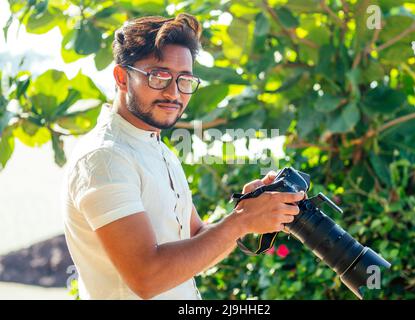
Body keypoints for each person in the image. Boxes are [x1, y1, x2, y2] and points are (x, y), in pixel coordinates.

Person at [61, 13, 305, 300]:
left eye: (184, 80)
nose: (173, 92)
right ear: (122, 77)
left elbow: (196, 241)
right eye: (159, 76)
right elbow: (147, 277)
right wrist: (240, 221)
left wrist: (249, 211)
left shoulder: (157, 148)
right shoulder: (104, 158)